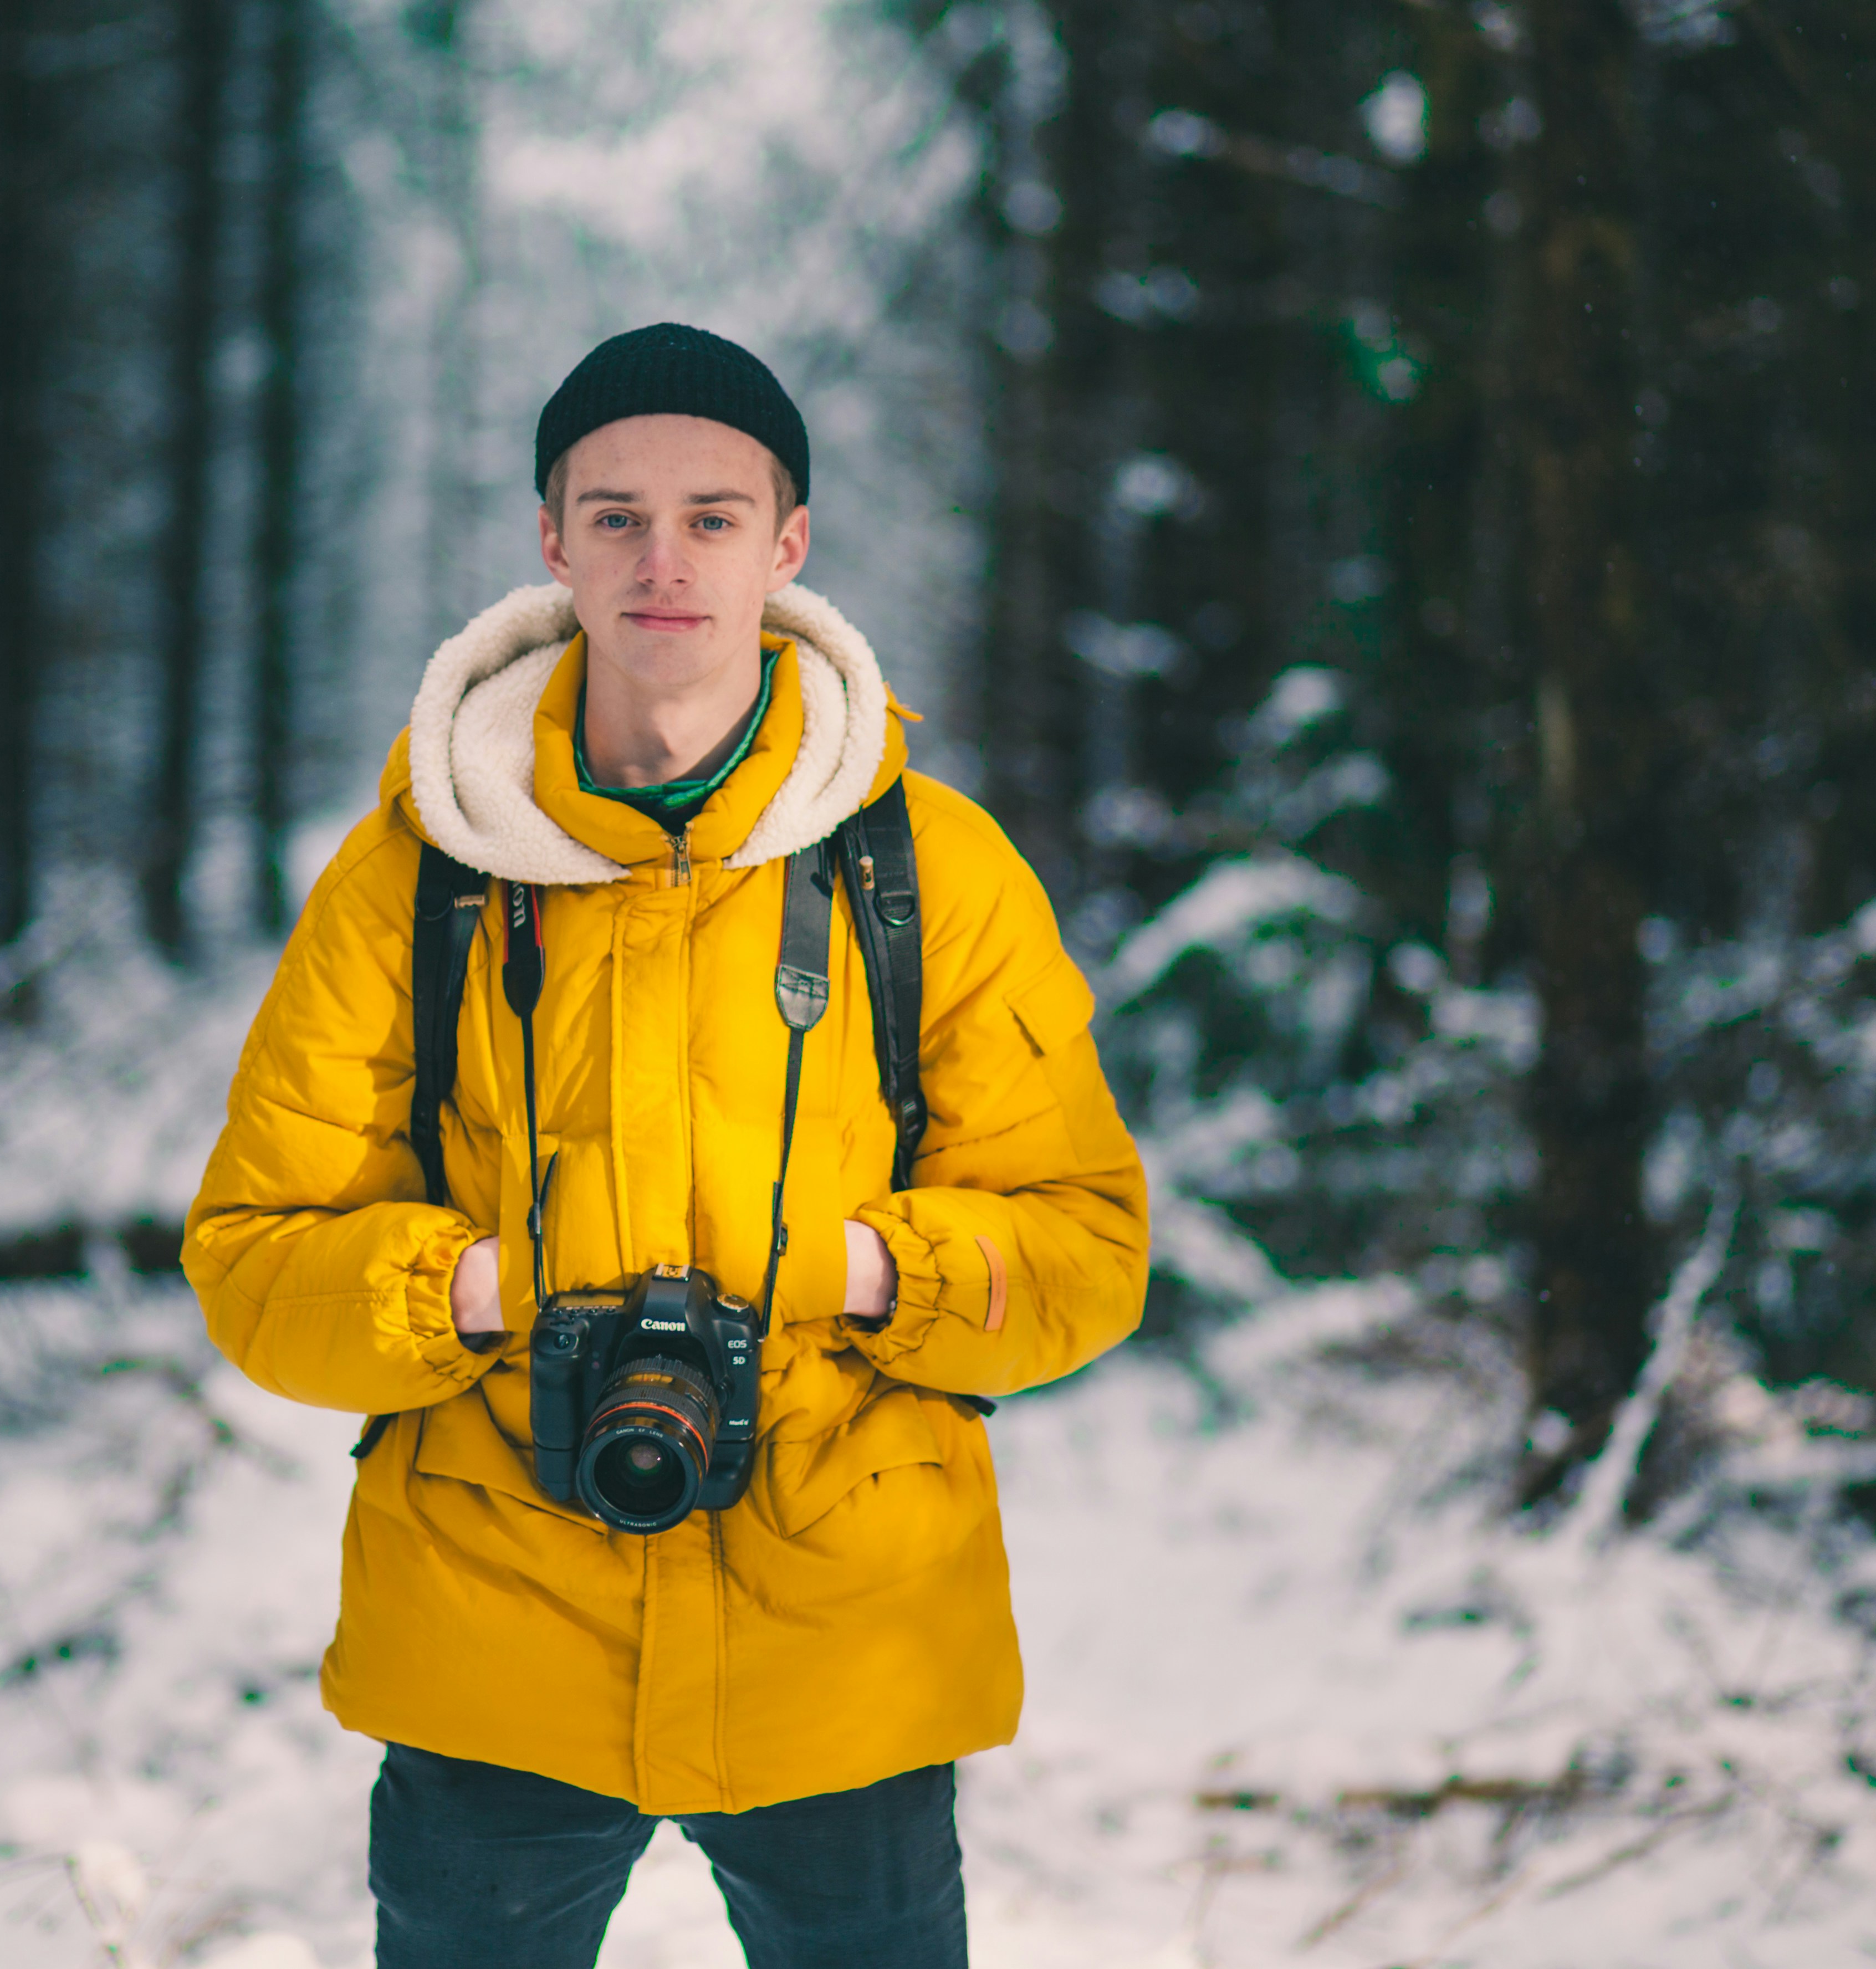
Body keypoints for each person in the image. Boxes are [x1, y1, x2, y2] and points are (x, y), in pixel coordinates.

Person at [186, 322, 1149, 1969]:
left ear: (786, 544)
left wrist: (854, 1265)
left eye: (713, 515)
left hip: (849, 1635)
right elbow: (253, 1261)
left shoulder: (931, 871)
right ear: (549, 539)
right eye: (614, 513)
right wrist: (486, 1288)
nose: (663, 560)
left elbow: (1084, 1250)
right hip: (495, 1633)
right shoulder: (417, 868)